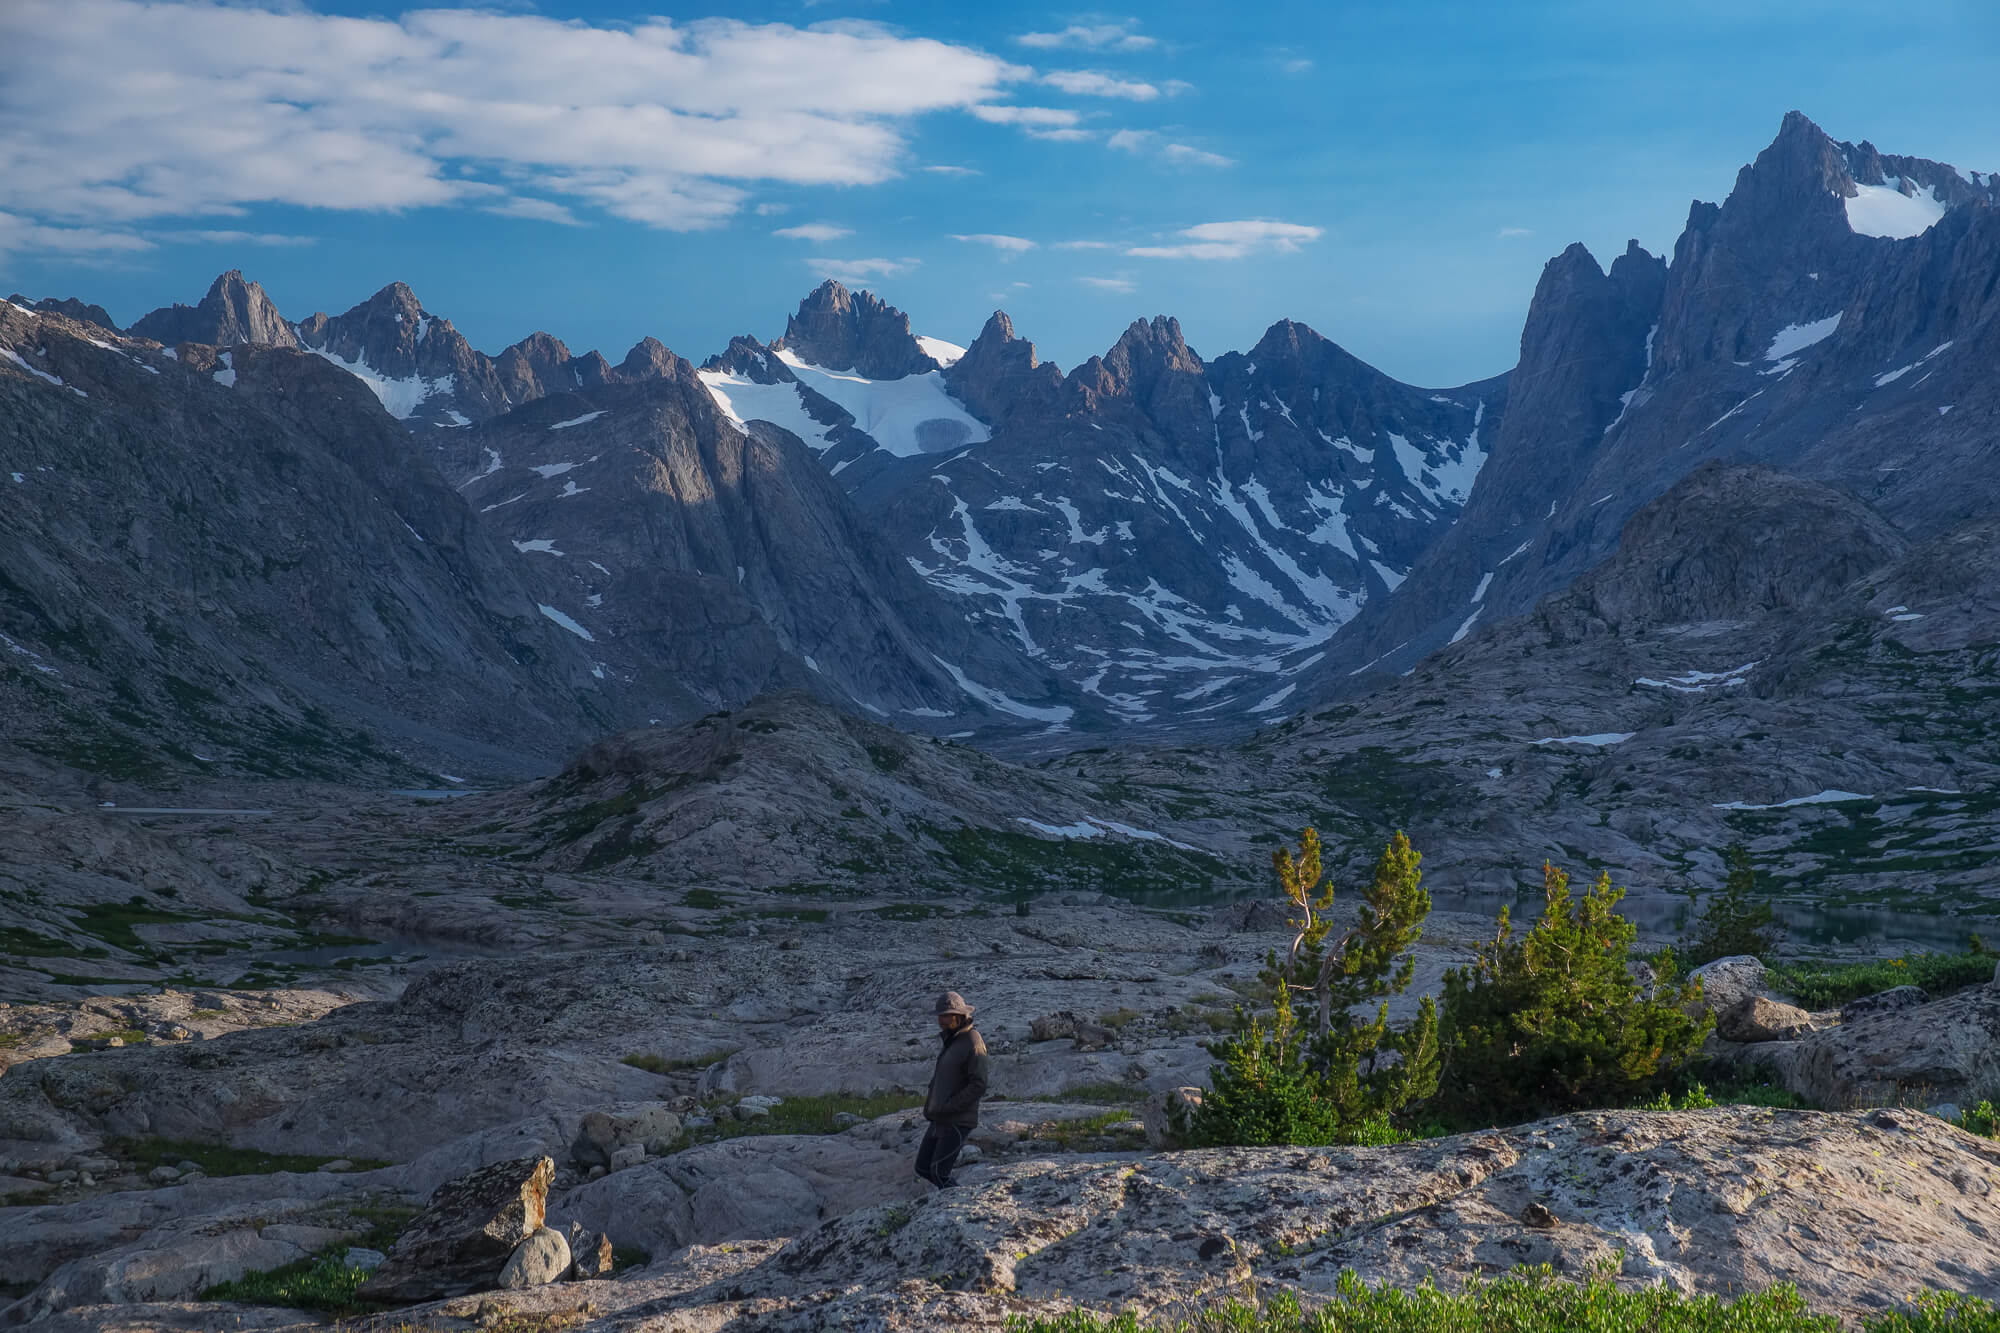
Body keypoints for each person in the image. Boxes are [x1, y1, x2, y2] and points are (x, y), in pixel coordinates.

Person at [916, 990, 988, 1189]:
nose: (941, 1021)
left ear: (959, 1016)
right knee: (922, 1167)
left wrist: (951, 1105)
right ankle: (947, 1202)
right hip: (939, 1117)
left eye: (945, 1016)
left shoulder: (972, 1042)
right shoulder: (952, 1040)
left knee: (940, 1172)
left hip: (957, 1119)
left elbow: (979, 1084)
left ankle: (961, 1206)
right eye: (940, 1016)